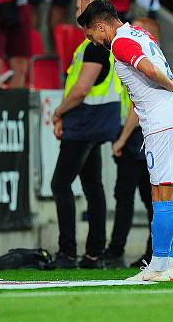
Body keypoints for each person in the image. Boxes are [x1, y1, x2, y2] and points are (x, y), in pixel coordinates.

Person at [76, 0, 173, 282]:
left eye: (92, 36)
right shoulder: (138, 32)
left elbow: (145, 67)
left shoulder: (120, 43)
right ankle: (167, 264)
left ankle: (159, 265)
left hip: (163, 123)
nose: (94, 41)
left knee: (161, 192)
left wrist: (171, 84)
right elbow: (95, 17)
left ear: (102, 27)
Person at [48, 22, 121, 269]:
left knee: (60, 183)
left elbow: (80, 90)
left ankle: (68, 253)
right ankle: (94, 254)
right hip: (93, 121)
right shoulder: (100, 46)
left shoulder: (93, 47)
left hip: (84, 122)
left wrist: (58, 113)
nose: (78, 16)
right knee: (93, 186)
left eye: (82, 10)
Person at [103, 17, 159, 269]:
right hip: (142, 136)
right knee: (146, 198)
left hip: (136, 137)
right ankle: (153, 251)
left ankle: (119, 251)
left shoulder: (137, 57)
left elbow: (137, 105)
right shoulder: (147, 57)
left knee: (132, 197)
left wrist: (122, 139)